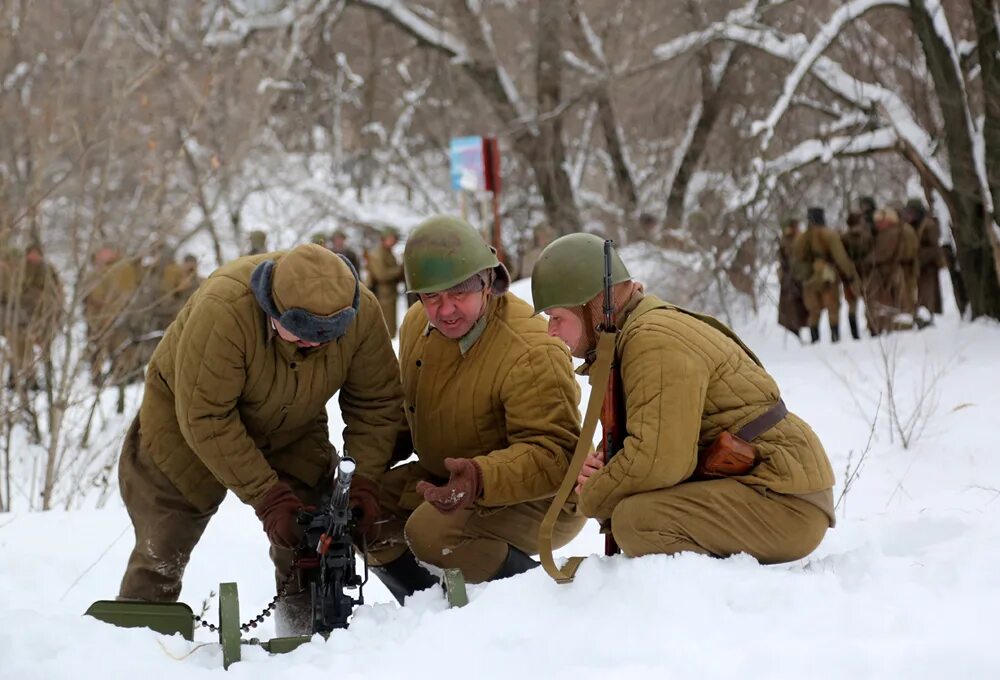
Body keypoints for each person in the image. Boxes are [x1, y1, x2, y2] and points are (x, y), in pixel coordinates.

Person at [116, 243, 405, 635]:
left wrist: (363, 482)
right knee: (163, 541)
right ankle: (137, 643)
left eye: (327, 336)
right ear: (271, 305)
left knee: (313, 531)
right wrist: (267, 497)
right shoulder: (223, 310)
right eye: (301, 334)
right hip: (187, 420)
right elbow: (207, 416)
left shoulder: (362, 312)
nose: (314, 345)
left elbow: (377, 401)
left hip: (293, 422)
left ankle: (307, 640)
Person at [531, 233, 835, 564]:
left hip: (783, 500)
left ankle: (731, 605)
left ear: (592, 306)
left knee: (638, 522)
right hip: (767, 488)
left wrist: (593, 494)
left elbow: (659, 462)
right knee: (636, 514)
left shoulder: (652, 339)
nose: (551, 332)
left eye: (557, 317)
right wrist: (610, 459)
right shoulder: (633, 336)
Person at [365, 216, 585, 604]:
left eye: (459, 293)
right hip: (448, 477)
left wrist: (480, 479)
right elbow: (409, 413)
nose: (445, 309)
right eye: (430, 296)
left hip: (537, 496)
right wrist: (360, 472)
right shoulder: (419, 324)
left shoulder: (531, 349)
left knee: (433, 532)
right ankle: (425, 606)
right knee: (363, 512)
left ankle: (544, 603)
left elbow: (557, 456)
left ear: (488, 282)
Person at [792, 207, 859, 343]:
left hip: (809, 277)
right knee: (833, 307)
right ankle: (834, 340)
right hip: (827, 276)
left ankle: (815, 341)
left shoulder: (802, 237)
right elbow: (841, 257)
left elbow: (796, 258)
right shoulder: (829, 234)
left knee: (813, 311)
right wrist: (850, 274)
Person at [840, 212, 874, 339]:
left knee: (852, 305)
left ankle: (855, 334)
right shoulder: (867, 236)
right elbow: (872, 255)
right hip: (865, 274)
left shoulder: (843, 238)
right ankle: (873, 329)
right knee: (869, 302)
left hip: (850, 276)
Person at [366, 226, 405, 336]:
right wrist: (398, 270)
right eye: (390, 238)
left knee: (390, 329)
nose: (393, 241)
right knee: (384, 330)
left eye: (394, 238)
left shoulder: (389, 253)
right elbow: (381, 275)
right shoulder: (377, 254)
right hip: (381, 295)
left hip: (389, 294)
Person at [776, 218, 808, 339]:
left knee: (797, 307)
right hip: (790, 279)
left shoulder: (795, 239)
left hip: (795, 278)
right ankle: (794, 333)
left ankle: (796, 332)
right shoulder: (789, 241)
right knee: (792, 308)